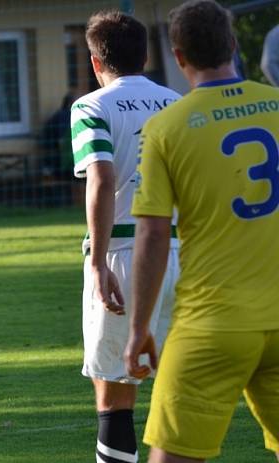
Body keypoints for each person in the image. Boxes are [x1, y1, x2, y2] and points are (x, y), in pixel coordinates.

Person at [124, 1, 279, 461]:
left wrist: (138, 329)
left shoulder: (166, 128)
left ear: (178, 56)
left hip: (215, 323)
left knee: (171, 456)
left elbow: (152, 236)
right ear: (234, 44)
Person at [70, 11, 182, 463]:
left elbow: (100, 178)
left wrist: (97, 263)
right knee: (178, 391)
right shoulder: (178, 103)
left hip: (122, 254)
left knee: (115, 397)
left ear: (96, 62)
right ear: (147, 55)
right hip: (182, 253)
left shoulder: (91, 106)